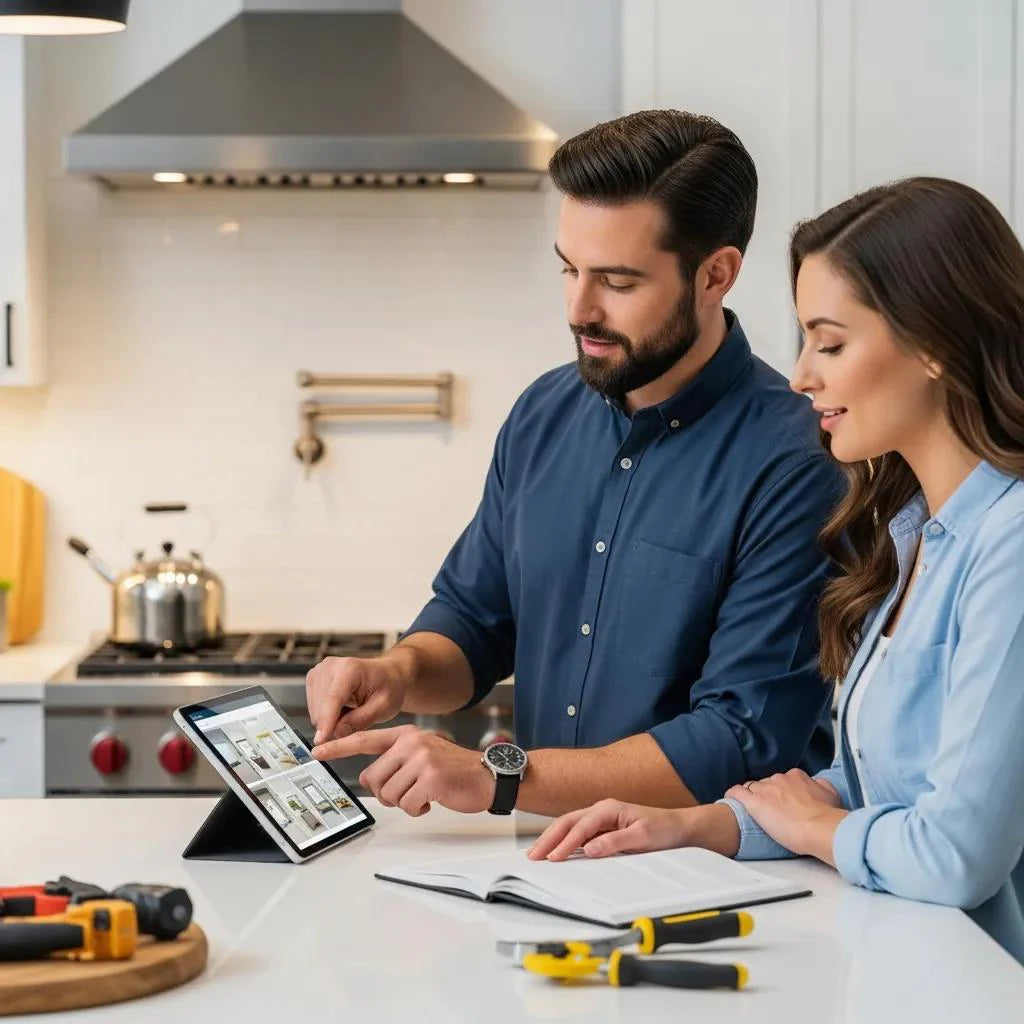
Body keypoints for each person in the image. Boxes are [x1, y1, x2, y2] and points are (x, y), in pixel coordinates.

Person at [528, 176, 1024, 963]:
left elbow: (953, 856)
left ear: (935, 343)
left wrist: (814, 826)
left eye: (829, 343)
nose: (800, 376)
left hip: (981, 985)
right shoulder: (913, 534)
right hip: (903, 972)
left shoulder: (1011, 544)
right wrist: (703, 825)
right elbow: (870, 796)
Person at [306, 110, 842, 818]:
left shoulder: (798, 460)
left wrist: (498, 775)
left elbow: (740, 736)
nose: (579, 309)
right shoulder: (543, 414)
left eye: (618, 283)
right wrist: (397, 673)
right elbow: (474, 620)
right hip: (549, 869)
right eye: (568, 269)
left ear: (715, 275)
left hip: (723, 885)